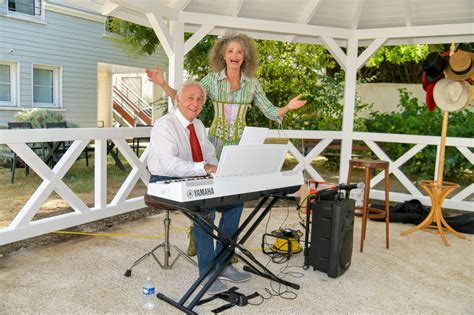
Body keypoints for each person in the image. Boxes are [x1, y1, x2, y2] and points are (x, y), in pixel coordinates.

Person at [147, 33, 307, 254]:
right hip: (214, 144)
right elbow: (186, 96)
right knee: (207, 198)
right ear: (222, 54)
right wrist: (163, 84)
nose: (235, 55)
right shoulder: (212, 80)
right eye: (230, 51)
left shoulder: (252, 84)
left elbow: (270, 111)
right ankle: (199, 237)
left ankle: (226, 251)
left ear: (245, 57)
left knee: (235, 198)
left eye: (239, 51)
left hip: (240, 146)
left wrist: (288, 107)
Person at [147, 80, 251, 295]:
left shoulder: (199, 126)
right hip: (164, 180)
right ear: (177, 100)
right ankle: (207, 273)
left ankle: (223, 263)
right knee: (206, 211)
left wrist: (217, 168)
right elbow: (169, 164)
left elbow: (209, 154)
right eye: (190, 98)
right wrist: (204, 168)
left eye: (200, 99)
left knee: (236, 203)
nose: (195, 103)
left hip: (195, 176)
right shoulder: (164, 125)